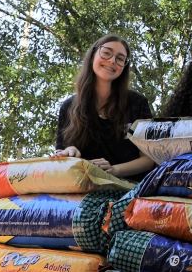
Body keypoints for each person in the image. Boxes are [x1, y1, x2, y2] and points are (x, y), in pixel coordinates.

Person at [55, 34, 155, 180]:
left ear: (124, 67)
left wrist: (114, 170)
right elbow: (61, 155)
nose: (112, 61)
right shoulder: (68, 106)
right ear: (92, 56)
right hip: (84, 185)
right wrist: (70, 151)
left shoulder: (137, 103)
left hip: (130, 188)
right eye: (106, 53)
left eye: (120, 58)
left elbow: (149, 159)